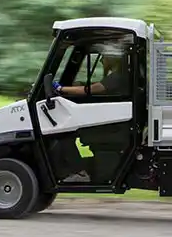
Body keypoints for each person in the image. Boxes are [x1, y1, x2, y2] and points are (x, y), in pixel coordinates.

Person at [48, 40, 131, 183]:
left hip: (113, 126)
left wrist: (60, 89)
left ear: (112, 58)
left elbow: (91, 90)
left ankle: (79, 172)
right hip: (112, 122)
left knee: (65, 134)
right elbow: (96, 87)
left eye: (104, 57)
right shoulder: (118, 75)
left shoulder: (118, 76)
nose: (101, 61)